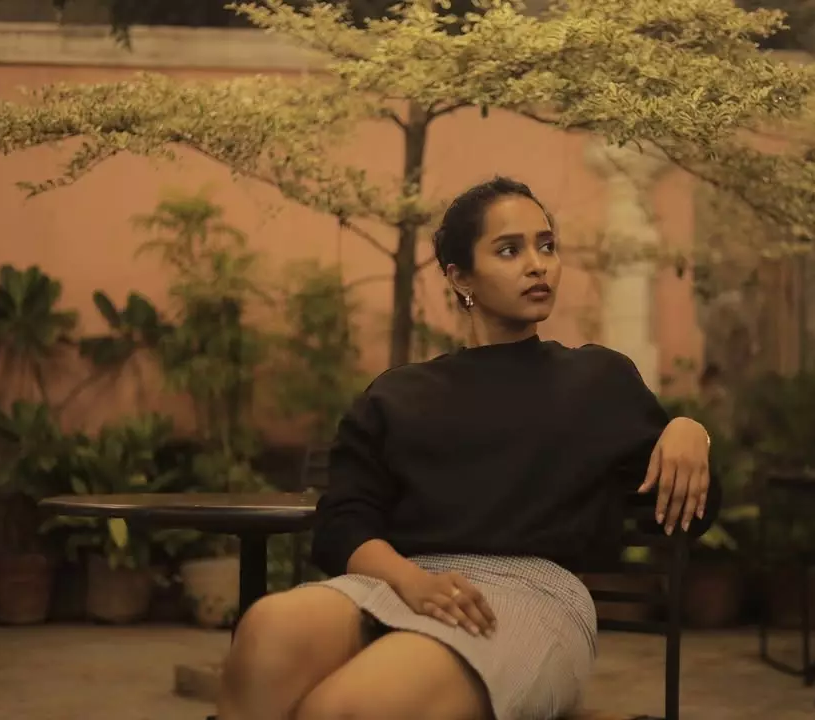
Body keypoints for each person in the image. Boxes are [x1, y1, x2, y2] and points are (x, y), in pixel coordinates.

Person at [217, 177, 720, 720]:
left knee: (345, 708)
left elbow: (689, 515)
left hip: (530, 598)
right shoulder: (398, 394)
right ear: (460, 277)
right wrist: (410, 581)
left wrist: (688, 431)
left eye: (546, 246)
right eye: (509, 250)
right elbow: (343, 522)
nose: (538, 265)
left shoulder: (597, 379)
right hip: (394, 580)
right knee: (268, 627)